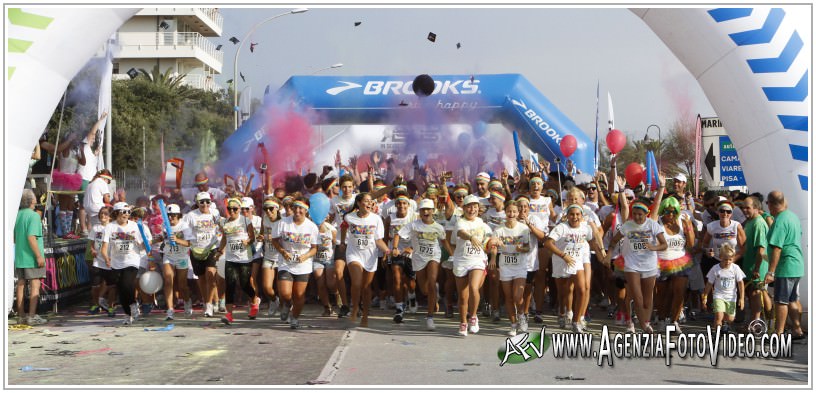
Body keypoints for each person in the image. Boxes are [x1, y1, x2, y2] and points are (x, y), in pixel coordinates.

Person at [604, 200, 667, 333]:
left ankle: (646, 322)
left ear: (646, 214)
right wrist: (609, 255)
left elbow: (664, 244)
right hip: (631, 264)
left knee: (647, 298)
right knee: (637, 297)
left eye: (640, 214)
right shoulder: (628, 226)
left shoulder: (653, 225)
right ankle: (645, 326)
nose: (637, 217)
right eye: (635, 214)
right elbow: (614, 241)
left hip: (649, 264)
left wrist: (653, 247)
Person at [545, 204, 605, 333]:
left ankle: (576, 321)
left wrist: (602, 253)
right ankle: (562, 312)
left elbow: (591, 241)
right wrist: (563, 255)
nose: (575, 217)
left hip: (577, 261)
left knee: (582, 289)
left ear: (582, 216)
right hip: (561, 260)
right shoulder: (561, 228)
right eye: (572, 214)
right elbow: (548, 243)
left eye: (578, 214)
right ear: (567, 216)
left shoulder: (585, 228)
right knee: (563, 292)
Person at [394, 198, 451, 330]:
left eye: (428, 209)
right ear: (419, 211)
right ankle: (433, 294)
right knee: (425, 289)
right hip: (418, 259)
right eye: (423, 209)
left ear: (433, 211)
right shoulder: (414, 225)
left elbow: (444, 242)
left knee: (431, 282)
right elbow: (398, 234)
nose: (426, 212)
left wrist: (452, 255)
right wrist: (395, 248)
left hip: (433, 256)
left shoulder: (438, 227)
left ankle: (430, 317)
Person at [341, 193, 390, 327]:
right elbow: (343, 229)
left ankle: (365, 314)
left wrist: (387, 251)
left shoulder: (376, 219)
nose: (369, 203)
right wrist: (342, 241)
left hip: (370, 255)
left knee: (366, 287)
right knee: (356, 283)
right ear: (358, 203)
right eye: (366, 201)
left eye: (371, 201)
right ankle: (355, 307)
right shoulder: (349, 217)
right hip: (354, 254)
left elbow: (378, 240)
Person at [271, 197, 319, 329]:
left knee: (299, 295)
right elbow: (274, 240)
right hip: (286, 262)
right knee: (285, 293)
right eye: (295, 207)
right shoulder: (283, 223)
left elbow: (315, 248)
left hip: (303, 265)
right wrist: (283, 251)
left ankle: (295, 317)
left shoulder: (311, 227)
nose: (297, 211)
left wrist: (305, 256)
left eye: (301, 208)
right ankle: (286, 304)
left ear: (306, 210)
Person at [452, 195, 496, 336]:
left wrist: (494, 247)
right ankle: (463, 321)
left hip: (478, 259)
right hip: (461, 260)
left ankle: (473, 317)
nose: (472, 209)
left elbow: (490, 241)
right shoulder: (460, 222)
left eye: (475, 207)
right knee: (463, 296)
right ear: (464, 208)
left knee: (473, 287)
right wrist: (471, 237)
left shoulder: (483, 225)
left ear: (479, 208)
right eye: (469, 207)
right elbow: (461, 233)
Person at [763, 191, 805, 338]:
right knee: (793, 299)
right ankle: (797, 330)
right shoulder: (792, 216)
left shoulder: (780, 220)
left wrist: (771, 272)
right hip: (796, 264)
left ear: (771, 204)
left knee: (781, 301)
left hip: (785, 266)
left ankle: (779, 334)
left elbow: (777, 248)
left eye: (767, 204)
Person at [100, 202, 147, 325]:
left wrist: (146, 246)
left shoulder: (135, 226)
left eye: (128, 212)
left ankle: (133, 304)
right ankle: (128, 314)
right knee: (121, 290)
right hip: (116, 262)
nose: (126, 215)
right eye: (123, 212)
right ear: (116, 213)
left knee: (127, 284)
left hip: (132, 259)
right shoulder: (110, 227)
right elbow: (104, 247)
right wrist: (106, 258)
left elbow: (142, 244)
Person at [491, 200, 532, 336]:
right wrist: (492, 257)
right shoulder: (499, 229)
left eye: (514, 211)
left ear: (518, 213)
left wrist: (522, 248)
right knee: (508, 297)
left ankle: (521, 315)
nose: (512, 214)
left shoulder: (523, 228)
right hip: (505, 266)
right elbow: (494, 246)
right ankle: (513, 324)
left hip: (520, 265)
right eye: (509, 211)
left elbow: (528, 247)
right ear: (505, 212)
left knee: (517, 296)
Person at [655, 196, 695, 333]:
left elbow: (691, 243)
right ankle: (661, 319)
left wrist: (688, 225)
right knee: (663, 294)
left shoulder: (682, 221)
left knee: (679, 293)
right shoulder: (657, 223)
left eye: (673, 212)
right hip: (662, 262)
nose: (670, 215)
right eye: (667, 211)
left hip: (680, 261)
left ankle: (674, 321)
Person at [214, 198, 256, 325]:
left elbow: (252, 237)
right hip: (230, 258)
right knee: (230, 285)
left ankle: (254, 301)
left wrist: (247, 241)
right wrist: (219, 251)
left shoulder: (245, 220)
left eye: (235, 209)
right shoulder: (225, 222)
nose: (232, 211)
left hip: (244, 258)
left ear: (239, 209)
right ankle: (229, 314)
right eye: (229, 209)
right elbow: (224, 239)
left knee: (244, 284)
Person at [183, 192, 221, 317]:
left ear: (210, 202)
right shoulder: (190, 216)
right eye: (202, 202)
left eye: (207, 201)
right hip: (197, 250)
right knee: (202, 279)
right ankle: (206, 301)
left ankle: (209, 304)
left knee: (211, 275)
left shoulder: (215, 213)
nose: (205, 204)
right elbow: (183, 230)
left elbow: (221, 227)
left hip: (212, 247)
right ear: (197, 203)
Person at [14, 189, 48, 325]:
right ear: (32, 200)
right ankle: (32, 316)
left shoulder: (17, 215)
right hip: (31, 257)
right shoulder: (34, 216)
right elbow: (31, 237)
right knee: (35, 284)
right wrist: (39, 256)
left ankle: (21, 315)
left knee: (21, 285)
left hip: (20, 255)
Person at [740, 196, 772, 326]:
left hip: (757, 268)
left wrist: (757, 269)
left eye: (748, 207)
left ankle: (755, 325)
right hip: (749, 266)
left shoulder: (759, 223)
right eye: (743, 207)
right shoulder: (750, 221)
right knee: (757, 294)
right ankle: (765, 322)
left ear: (757, 209)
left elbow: (761, 249)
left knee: (756, 294)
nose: (744, 210)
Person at [384, 195, 416, 323]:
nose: (401, 206)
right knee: (396, 277)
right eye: (399, 203)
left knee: (410, 282)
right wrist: (387, 252)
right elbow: (386, 236)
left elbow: (421, 234)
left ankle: (412, 296)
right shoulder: (389, 218)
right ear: (395, 205)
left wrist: (413, 248)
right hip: (396, 251)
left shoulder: (415, 217)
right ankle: (399, 308)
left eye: (404, 203)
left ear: (408, 205)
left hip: (411, 251)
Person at [699, 200, 746, 286]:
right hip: (716, 260)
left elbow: (743, 248)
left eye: (728, 211)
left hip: (733, 261)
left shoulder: (736, 226)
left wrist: (731, 261)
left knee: (732, 287)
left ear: (731, 214)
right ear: (717, 212)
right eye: (722, 211)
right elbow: (704, 244)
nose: (725, 214)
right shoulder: (712, 226)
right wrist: (708, 251)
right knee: (712, 285)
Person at [159, 204, 194, 320]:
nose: (170, 218)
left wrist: (177, 240)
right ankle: (170, 310)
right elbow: (162, 238)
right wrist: (152, 240)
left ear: (178, 215)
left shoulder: (184, 226)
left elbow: (189, 243)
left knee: (182, 285)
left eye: (173, 215)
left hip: (182, 257)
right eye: (168, 215)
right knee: (168, 280)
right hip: (168, 256)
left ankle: (187, 302)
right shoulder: (164, 226)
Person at [702, 244, 745, 334]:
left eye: (730, 259)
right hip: (719, 295)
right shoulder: (715, 269)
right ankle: (716, 333)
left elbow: (740, 283)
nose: (728, 262)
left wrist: (742, 298)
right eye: (725, 259)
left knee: (730, 319)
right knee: (718, 316)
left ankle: (725, 325)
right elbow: (709, 284)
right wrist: (705, 296)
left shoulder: (735, 268)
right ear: (720, 257)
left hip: (731, 297)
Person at [329, 175, 356, 318]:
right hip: (341, 241)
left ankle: (357, 304)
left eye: (349, 187)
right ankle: (345, 305)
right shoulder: (334, 201)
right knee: (338, 273)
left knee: (355, 276)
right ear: (340, 188)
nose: (347, 189)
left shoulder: (357, 199)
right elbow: (330, 217)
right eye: (344, 187)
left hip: (356, 242)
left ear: (353, 187)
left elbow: (373, 195)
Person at [87, 206, 117, 317]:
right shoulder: (96, 228)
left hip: (110, 261)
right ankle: (95, 305)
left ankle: (110, 307)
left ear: (110, 216)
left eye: (105, 214)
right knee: (95, 286)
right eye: (101, 214)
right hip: (98, 261)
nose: (103, 216)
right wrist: (92, 250)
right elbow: (91, 242)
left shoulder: (114, 227)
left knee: (111, 285)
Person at [241, 197, 264, 319]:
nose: (245, 211)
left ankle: (254, 305)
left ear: (252, 208)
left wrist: (259, 242)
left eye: (247, 209)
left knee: (251, 278)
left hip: (256, 252)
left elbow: (262, 235)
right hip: (242, 254)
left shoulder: (259, 220)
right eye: (242, 209)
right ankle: (255, 299)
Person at [260, 196, 282, 316]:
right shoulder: (265, 218)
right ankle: (274, 301)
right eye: (265, 209)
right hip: (269, 256)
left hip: (281, 257)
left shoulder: (283, 221)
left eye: (271, 209)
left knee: (282, 289)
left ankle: (285, 307)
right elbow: (262, 233)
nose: (268, 211)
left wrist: (273, 238)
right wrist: (261, 236)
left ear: (277, 208)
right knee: (267, 287)